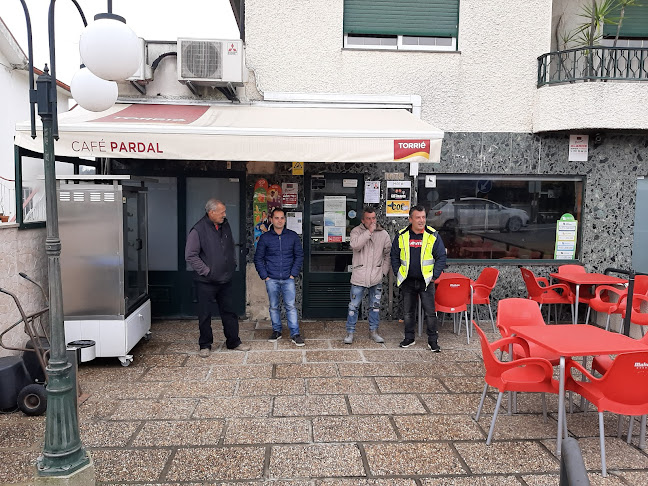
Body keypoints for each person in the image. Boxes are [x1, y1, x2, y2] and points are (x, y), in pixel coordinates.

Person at [185, 199, 250, 357]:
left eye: (224, 212)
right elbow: (191, 255)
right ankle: (205, 345)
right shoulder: (198, 230)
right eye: (222, 212)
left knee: (229, 312)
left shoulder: (224, 225)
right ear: (211, 212)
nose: (224, 215)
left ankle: (233, 342)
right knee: (205, 314)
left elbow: (230, 246)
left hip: (225, 279)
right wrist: (207, 271)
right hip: (206, 281)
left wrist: (232, 264)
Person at [390, 204, 447, 351]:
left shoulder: (433, 235)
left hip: (427, 281)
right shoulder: (402, 235)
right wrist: (398, 272)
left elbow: (441, 257)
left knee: (430, 313)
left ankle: (433, 341)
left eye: (423, 217)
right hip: (408, 281)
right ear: (410, 219)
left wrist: (435, 275)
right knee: (408, 313)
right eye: (418, 217)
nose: (421, 220)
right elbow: (394, 255)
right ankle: (409, 338)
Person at [254, 207, 305, 346]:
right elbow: (258, 258)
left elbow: (299, 256)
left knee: (290, 306)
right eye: (276, 218)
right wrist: (265, 276)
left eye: (282, 218)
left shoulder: (292, 236)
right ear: (271, 219)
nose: (279, 220)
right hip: (272, 278)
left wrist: (293, 274)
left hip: (288, 278)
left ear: (285, 220)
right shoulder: (265, 238)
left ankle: (295, 333)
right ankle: (276, 331)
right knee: (274, 306)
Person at [344, 207, 392, 344]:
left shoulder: (383, 234)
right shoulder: (356, 232)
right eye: (368, 219)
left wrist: (383, 271)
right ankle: (350, 332)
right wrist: (369, 232)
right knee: (353, 306)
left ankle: (374, 331)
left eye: (373, 218)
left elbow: (388, 254)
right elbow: (355, 245)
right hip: (359, 276)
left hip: (376, 276)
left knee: (375, 306)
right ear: (363, 220)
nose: (372, 221)